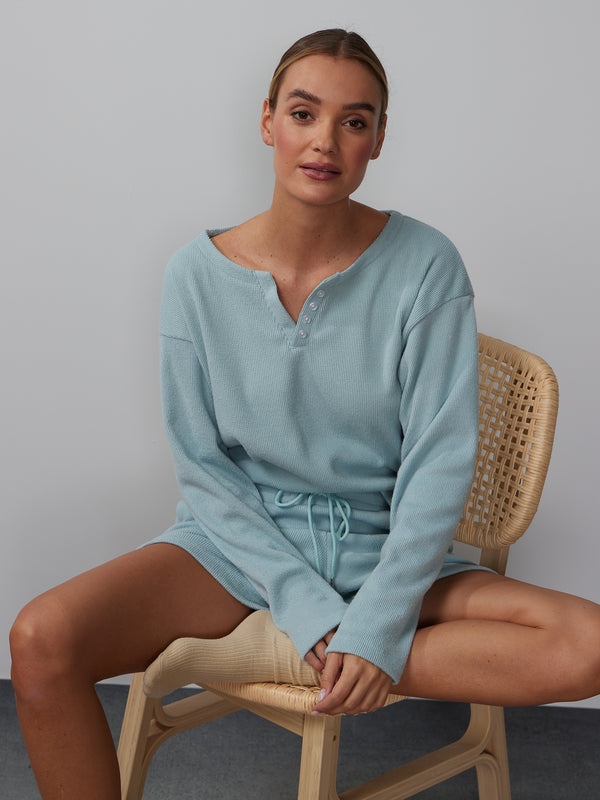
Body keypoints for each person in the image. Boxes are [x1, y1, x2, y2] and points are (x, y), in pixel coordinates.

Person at [9, 28, 600, 800]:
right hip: (236, 555)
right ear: (268, 122)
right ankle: (313, 643)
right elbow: (205, 468)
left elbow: (439, 462)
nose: (325, 140)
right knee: (41, 639)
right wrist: (302, 601)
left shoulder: (425, 265)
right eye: (303, 113)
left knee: (588, 644)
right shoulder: (195, 276)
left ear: (377, 140)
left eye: (354, 121)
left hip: (380, 555)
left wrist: (375, 625)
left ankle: (322, 652)